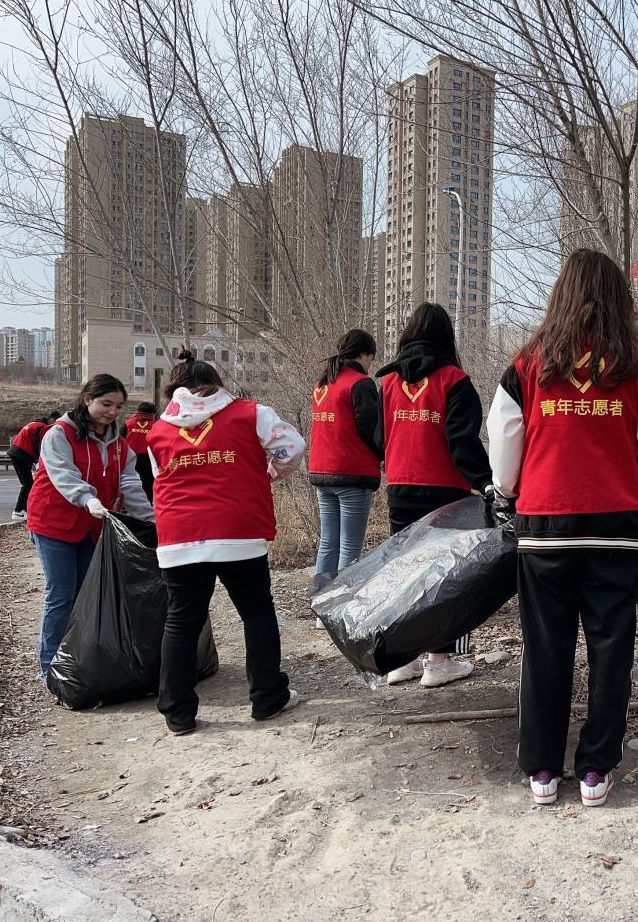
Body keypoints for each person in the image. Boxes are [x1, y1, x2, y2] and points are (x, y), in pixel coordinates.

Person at [487, 248, 638, 807]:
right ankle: (595, 769)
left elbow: (504, 448)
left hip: (546, 528)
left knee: (545, 647)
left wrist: (509, 493)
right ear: (618, 299)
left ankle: (542, 768)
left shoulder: (527, 366)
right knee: (612, 649)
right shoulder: (637, 367)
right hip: (615, 528)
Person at [148, 350, 306, 735]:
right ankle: (267, 697)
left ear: (175, 389)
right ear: (216, 384)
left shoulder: (158, 430)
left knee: (181, 621)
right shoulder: (252, 413)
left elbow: (158, 475)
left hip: (180, 534)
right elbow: (292, 447)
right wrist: (270, 473)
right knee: (256, 613)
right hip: (238, 530)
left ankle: (177, 713)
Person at [375, 303, 492, 687]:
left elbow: (378, 437)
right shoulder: (455, 381)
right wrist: (486, 482)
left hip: (401, 488)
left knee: (404, 573)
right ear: (446, 337)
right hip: (445, 492)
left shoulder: (387, 383)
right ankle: (437, 662)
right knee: (443, 577)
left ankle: (401, 659)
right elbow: (462, 443)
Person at [27, 378, 152, 678]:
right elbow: (63, 474)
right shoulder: (60, 434)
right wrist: (87, 498)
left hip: (90, 527)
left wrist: (151, 519)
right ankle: (49, 668)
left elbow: (130, 484)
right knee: (61, 594)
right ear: (87, 399)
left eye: (119, 407)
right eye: (106, 404)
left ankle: (75, 660)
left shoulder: (120, 445)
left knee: (85, 594)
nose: (113, 412)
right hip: (53, 523)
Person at [308, 329, 383, 594]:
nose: (371, 364)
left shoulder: (322, 384)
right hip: (352, 472)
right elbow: (371, 430)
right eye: (371, 357)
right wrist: (385, 455)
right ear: (363, 354)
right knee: (350, 546)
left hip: (321, 470)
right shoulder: (360, 383)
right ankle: (340, 602)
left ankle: (320, 598)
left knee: (328, 542)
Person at [7, 410, 61, 520]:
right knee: (27, 484)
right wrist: (39, 460)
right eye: (56, 422)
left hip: (18, 453)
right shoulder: (41, 427)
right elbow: (39, 445)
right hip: (22, 454)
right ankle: (18, 511)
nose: (55, 426)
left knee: (28, 483)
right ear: (52, 420)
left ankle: (24, 510)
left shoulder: (35, 424)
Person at [124, 401, 158, 502]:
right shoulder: (155, 425)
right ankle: (147, 502)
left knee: (129, 480)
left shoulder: (128, 423)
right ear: (152, 413)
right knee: (148, 482)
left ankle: (128, 502)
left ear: (138, 410)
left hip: (130, 457)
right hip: (148, 459)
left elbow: (120, 439)